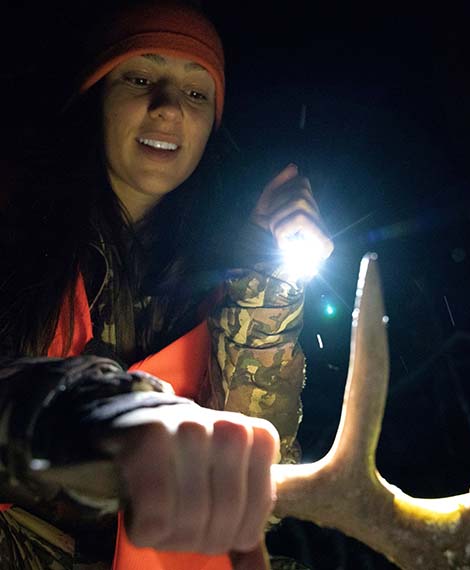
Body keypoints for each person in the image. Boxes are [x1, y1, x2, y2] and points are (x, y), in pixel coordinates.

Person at [0, 2, 333, 569]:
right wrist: (102, 420)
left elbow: (259, 480)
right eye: (140, 77)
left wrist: (269, 280)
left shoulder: (223, 273)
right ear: (96, 93)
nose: (168, 108)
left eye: (196, 93)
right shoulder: (15, 227)